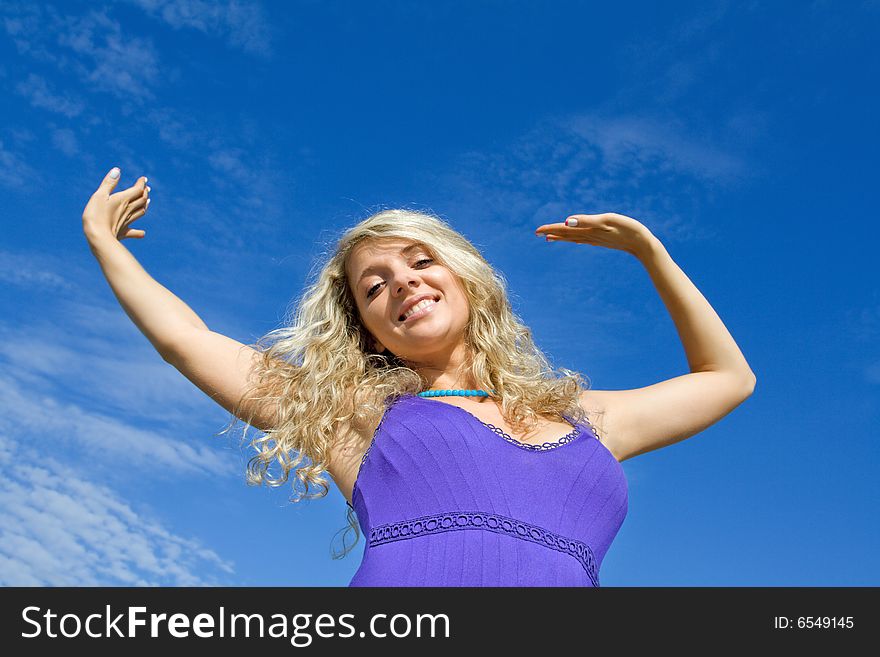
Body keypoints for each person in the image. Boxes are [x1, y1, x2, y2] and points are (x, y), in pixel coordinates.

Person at [81, 167, 756, 587]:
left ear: (464, 277)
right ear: (368, 328)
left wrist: (650, 253)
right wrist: (107, 244)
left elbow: (728, 378)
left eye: (420, 261)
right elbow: (186, 340)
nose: (402, 281)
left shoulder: (585, 420)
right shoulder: (357, 415)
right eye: (374, 286)